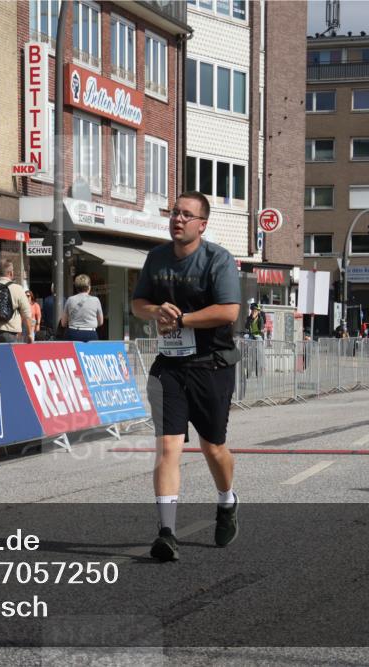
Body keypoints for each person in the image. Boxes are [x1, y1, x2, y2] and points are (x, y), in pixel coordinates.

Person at [131, 191, 241, 562]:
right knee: (168, 449)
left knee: (213, 448)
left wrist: (183, 319)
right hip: (170, 367)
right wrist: (156, 311)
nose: (178, 219)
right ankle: (166, 532)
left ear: (202, 224)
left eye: (186, 215)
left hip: (212, 365)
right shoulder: (156, 258)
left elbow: (228, 311)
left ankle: (227, 501)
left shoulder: (217, 260)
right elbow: (138, 303)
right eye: (174, 212)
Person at [60, 274, 104, 342]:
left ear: (76, 287)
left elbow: (63, 323)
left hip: (73, 333)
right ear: (89, 287)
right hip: (91, 334)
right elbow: (100, 322)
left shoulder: (70, 300)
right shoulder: (96, 300)